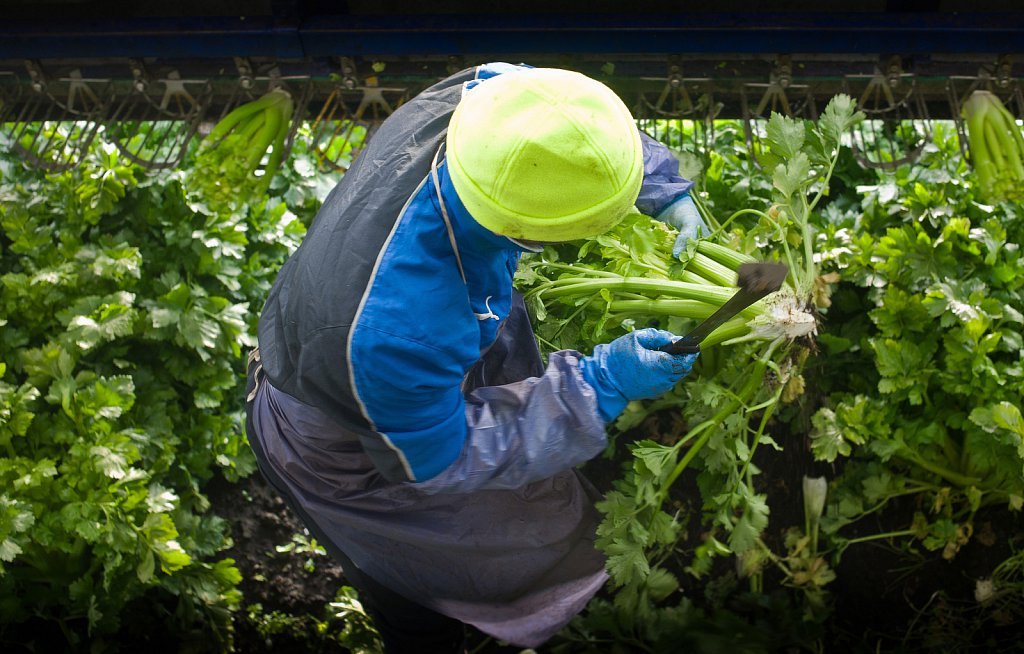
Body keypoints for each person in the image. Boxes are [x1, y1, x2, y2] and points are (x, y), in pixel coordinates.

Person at [244, 62, 704, 653]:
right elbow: (442, 458)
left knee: (499, 513)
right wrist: (599, 383)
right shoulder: (395, 327)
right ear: (526, 228)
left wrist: (660, 185)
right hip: (341, 445)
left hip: (379, 368)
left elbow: (562, 122)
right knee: (412, 575)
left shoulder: (483, 99)